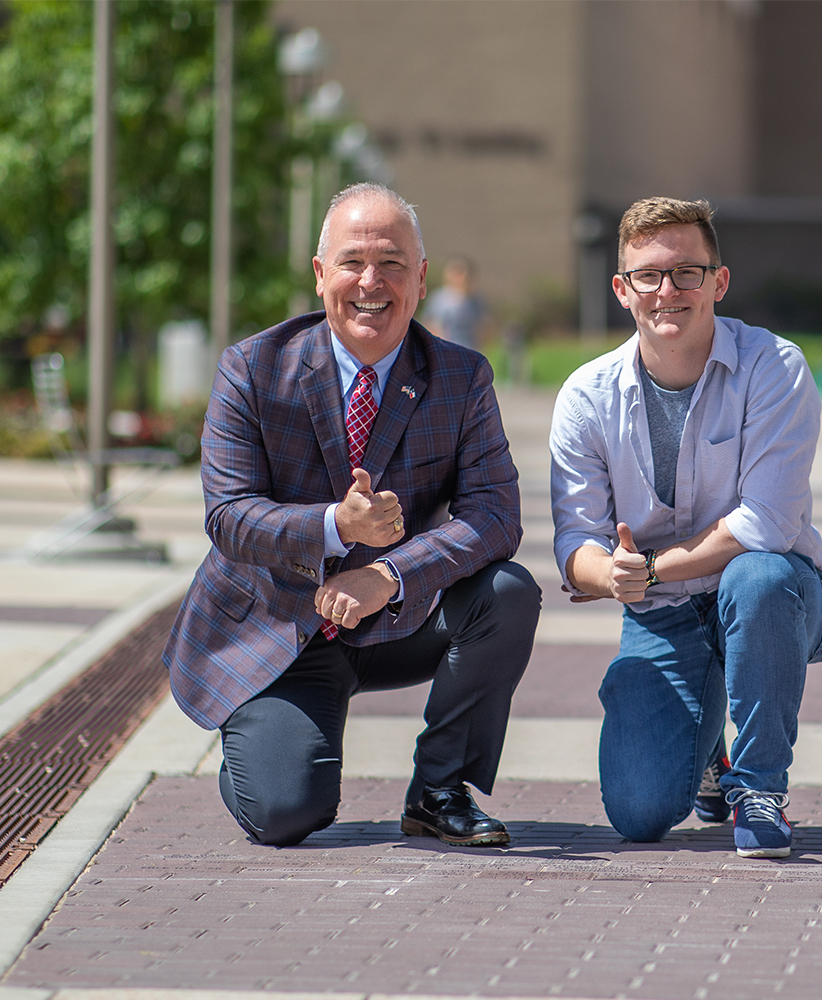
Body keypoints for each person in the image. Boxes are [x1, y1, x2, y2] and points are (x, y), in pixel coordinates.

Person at [164, 183, 540, 849]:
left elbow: (494, 517)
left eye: (393, 263)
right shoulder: (251, 370)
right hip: (281, 629)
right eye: (352, 262)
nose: (372, 282)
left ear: (421, 280)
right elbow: (228, 517)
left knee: (508, 593)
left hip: (398, 620)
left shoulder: (461, 377)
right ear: (319, 275)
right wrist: (338, 526)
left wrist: (389, 574)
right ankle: (261, 744)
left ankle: (439, 790)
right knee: (285, 813)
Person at [549, 197, 822, 858]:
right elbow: (577, 541)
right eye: (649, 276)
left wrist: (649, 567)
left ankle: (760, 786)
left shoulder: (774, 367)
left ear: (719, 281)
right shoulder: (586, 397)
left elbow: (765, 524)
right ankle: (707, 749)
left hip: (784, 601)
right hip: (662, 614)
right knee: (640, 813)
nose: (668, 291)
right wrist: (612, 574)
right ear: (622, 290)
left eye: (687, 272)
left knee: (758, 576)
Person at [421, 257, 488, 350]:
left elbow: (485, 329)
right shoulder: (439, 299)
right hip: (444, 350)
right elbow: (430, 324)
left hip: (469, 350)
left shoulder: (476, 302)